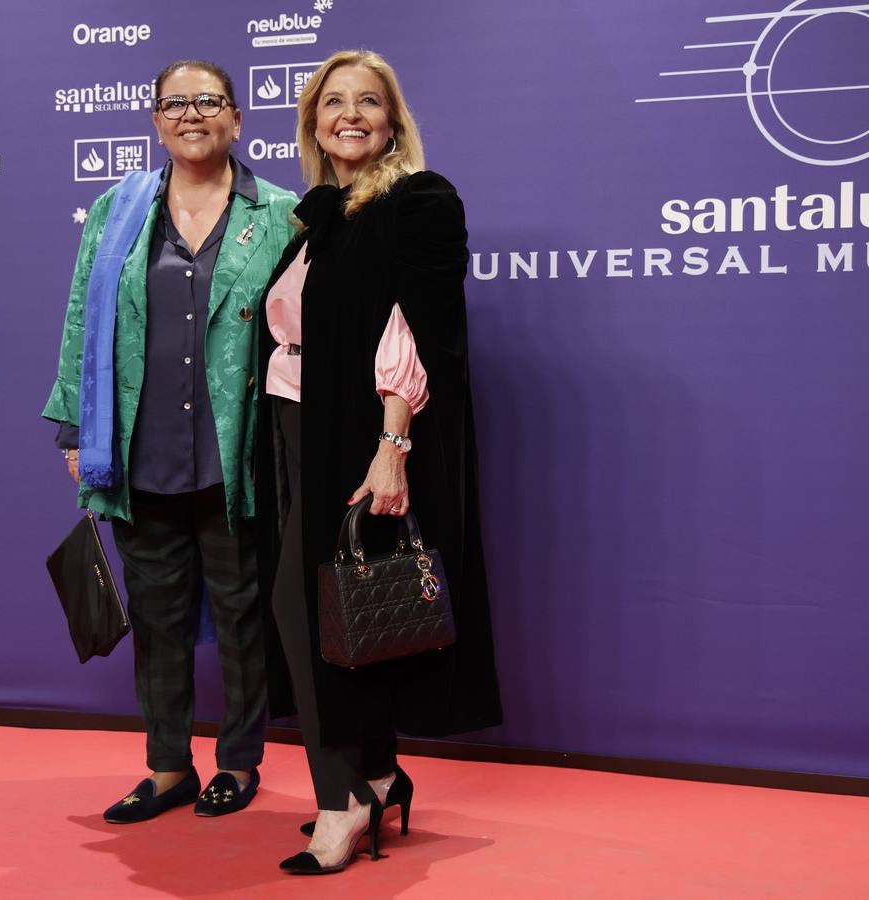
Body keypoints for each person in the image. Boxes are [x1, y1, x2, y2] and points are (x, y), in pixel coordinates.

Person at [256, 49, 503, 874]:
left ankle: (343, 803)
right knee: (338, 610)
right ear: (313, 120)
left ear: (393, 119)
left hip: (359, 437)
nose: (349, 114)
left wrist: (391, 447)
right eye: (333, 102)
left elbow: (419, 333)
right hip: (295, 431)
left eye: (369, 101)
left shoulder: (419, 202)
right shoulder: (319, 215)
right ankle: (380, 771)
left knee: (311, 613)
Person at [43, 59, 298, 823]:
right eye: (175, 103)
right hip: (139, 452)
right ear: (156, 119)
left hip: (238, 454)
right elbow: (82, 321)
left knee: (244, 611)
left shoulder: (282, 213)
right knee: (156, 618)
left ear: (237, 117)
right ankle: (165, 766)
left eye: (209, 101)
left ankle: (239, 762)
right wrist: (74, 430)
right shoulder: (116, 212)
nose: (193, 115)